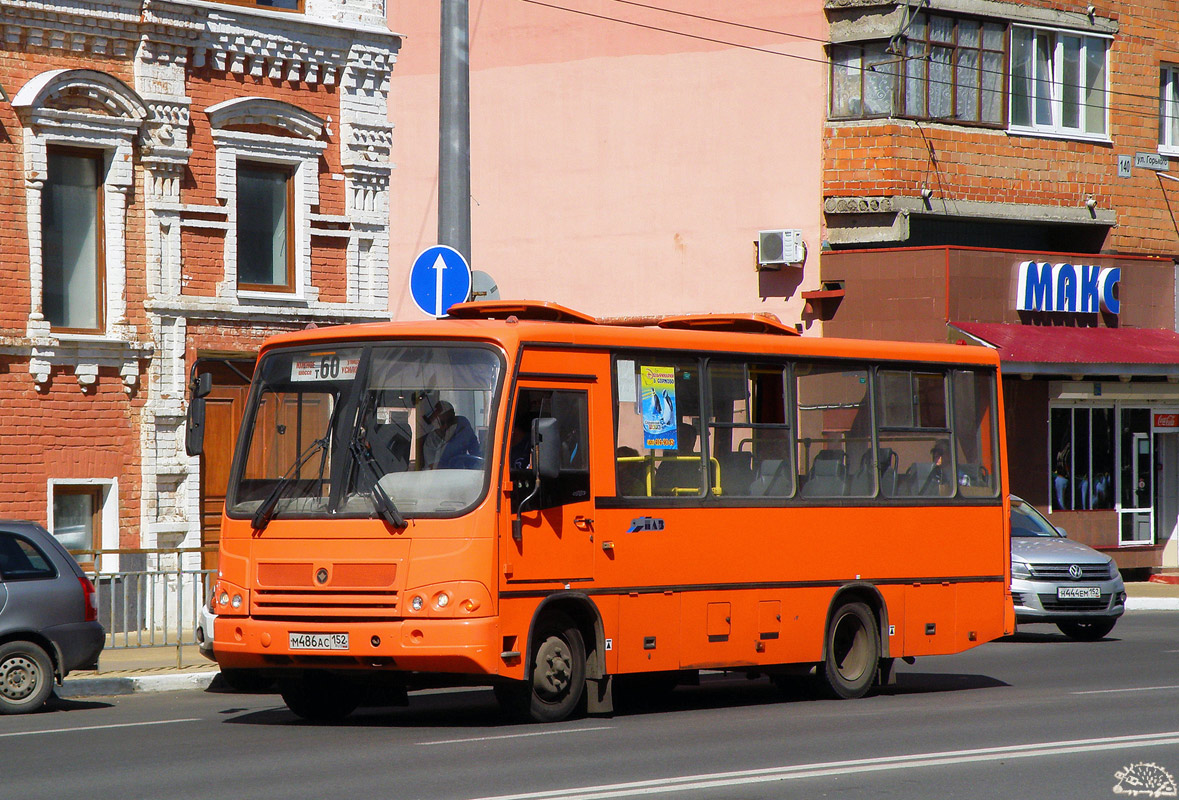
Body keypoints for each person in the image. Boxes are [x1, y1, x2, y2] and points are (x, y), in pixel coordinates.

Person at [423, 401, 480, 469]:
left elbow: (475, 449)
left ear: (454, 415)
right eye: (442, 423)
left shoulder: (463, 425)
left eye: (450, 420)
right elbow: (433, 466)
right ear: (436, 423)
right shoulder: (431, 440)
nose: (446, 425)